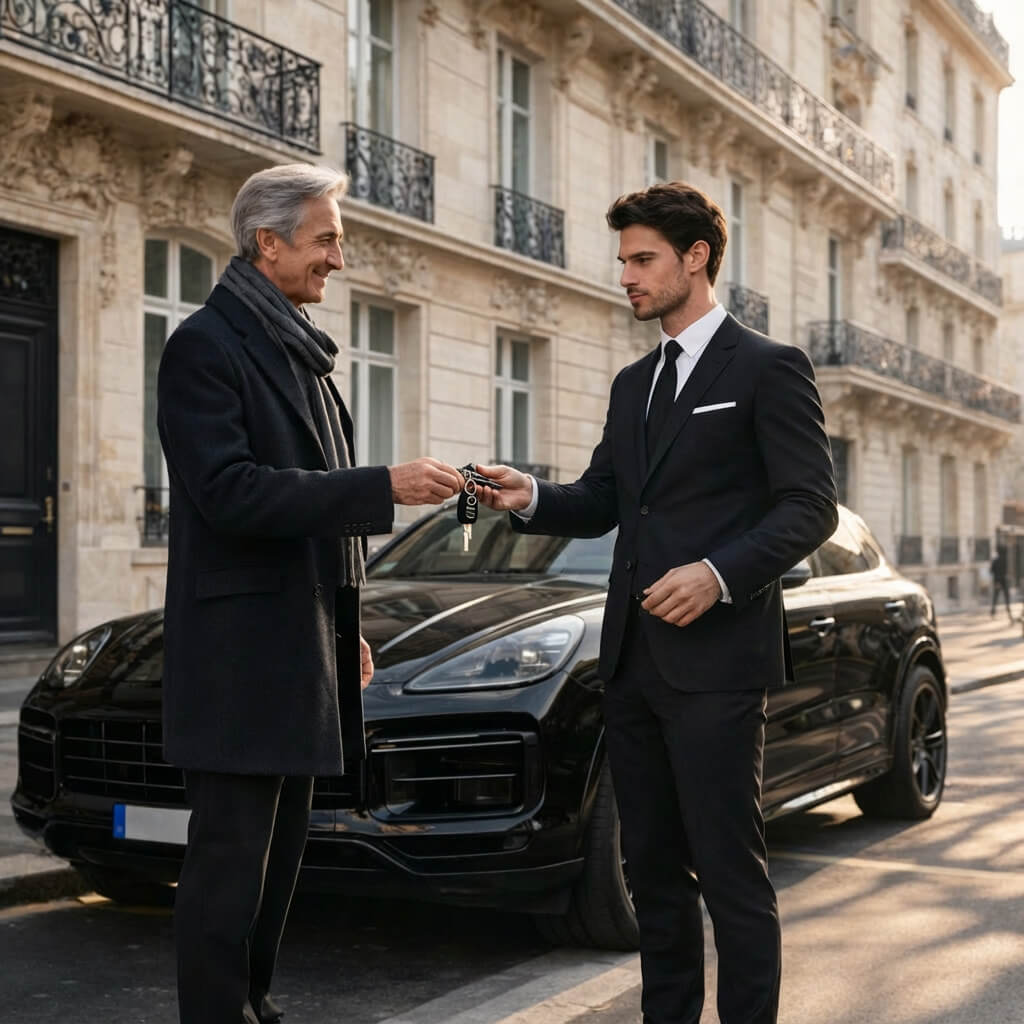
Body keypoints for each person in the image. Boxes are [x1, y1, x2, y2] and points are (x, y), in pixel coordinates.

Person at [477, 182, 837, 1024]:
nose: (628, 277)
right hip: (631, 666)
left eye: (643, 259)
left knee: (731, 874)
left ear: (696, 257)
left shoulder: (768, 367)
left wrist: (717, 573)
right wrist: (530, 495)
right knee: (653, 873)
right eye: (624, 261)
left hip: (719, 667)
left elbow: (810, 506)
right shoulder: (633, 382)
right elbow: (605, 499)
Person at [157, 163, 464, 1024]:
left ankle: (251, 1006)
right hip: (237, 661)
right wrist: (383, 485)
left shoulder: (301, 353)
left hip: (299, 649)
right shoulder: (204, 346)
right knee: (229, 870)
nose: (339, 256)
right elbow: (231, 493)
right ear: (269, 242)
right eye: (326, 238)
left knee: (278, 865)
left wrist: (342, 626)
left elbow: (313, 517)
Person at [990, 544, 1012, 621]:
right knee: (1006, 596)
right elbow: (1007, 571)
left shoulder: (995, 560)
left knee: (996, 596)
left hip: (997, 581)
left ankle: (993, 611)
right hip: (1003, 580)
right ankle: (1008, 610)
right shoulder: (1005, 560)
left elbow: (991, 570)